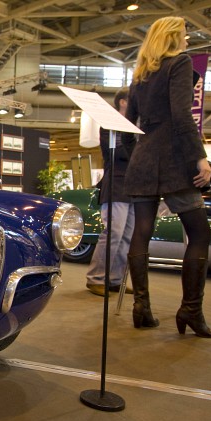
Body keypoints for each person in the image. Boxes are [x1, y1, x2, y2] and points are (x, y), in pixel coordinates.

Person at [121, 16, 211, 337]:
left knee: (141, 232)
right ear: (172, 37)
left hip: (143, 160)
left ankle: (142, 307)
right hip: (174, 163)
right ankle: (191, 311)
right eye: (185, 33)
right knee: (200, 233)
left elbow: (128, 127)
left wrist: (137, 152)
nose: (188, 39)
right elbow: (183, 116)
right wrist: (199, 157)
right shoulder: (180, 63)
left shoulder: (141, 74)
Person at [86, 87, 135, 297]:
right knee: (113, 233)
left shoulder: (134, 126)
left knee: (126, 236)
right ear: (123, 102)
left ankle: (114, 278)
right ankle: (96, 278)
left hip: (134, 187)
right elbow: (120, 154)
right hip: (116, 185)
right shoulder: (110, 126)